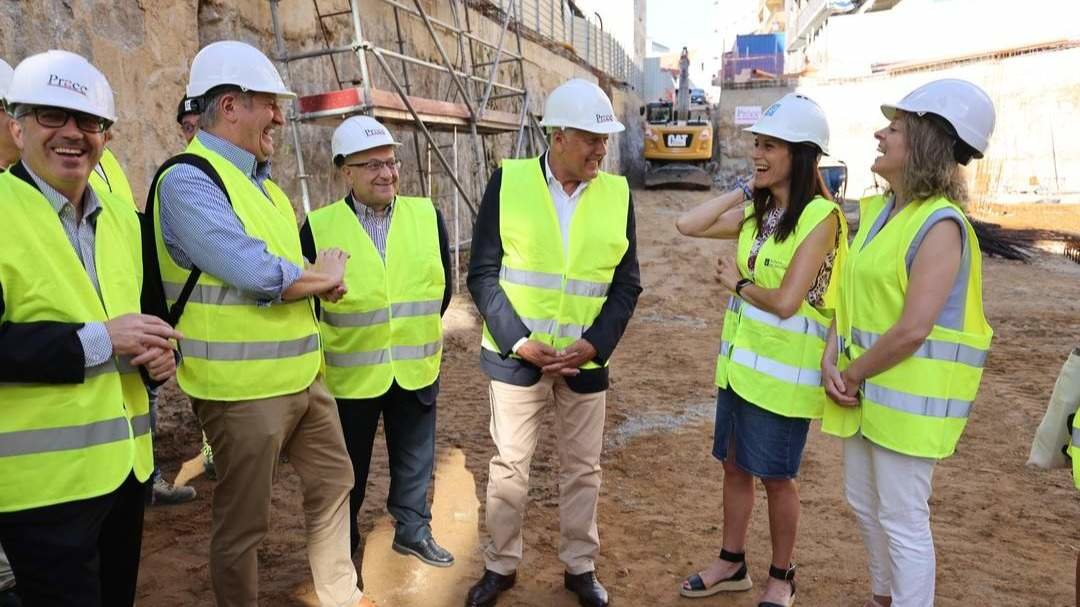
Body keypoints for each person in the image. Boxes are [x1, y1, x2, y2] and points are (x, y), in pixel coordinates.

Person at [151, 40, 369, 607]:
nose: (279, 115)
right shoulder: (187, 180)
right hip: (240, 391)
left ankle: (341, 596)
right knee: (245, 525)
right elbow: (252, 269)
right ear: (230, 106)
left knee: (333, 486)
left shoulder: (266, 187)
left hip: (304, 380)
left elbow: (291, 269)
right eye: (269, 104)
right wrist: (318, 276)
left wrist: (317, 278)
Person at [0, 49, 180, 606]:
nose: (73, 134)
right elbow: (111, 332)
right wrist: (104, 340)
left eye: (90, 122)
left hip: (125, 472)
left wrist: (159, 361)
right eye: (52, 116)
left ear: (106, 136)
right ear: (17, 125)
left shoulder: (125, 220)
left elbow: (143, 322)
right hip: (41, 488)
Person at [466, 78, 642, 607]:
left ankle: (579, 567)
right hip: (518, 360)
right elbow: (482, 274)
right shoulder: (509, 181)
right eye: (592, 138)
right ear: (559, 136)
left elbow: (626, 283)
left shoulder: (617, 193)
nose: (601, 149)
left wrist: (595, 344)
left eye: (605, 139)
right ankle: (501, 564)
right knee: (509, 467)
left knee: (583, 468)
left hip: (584, 363)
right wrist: (518, 341)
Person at [820, 79, 996, 607]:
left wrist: (850, 374)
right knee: (864, 505)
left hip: (902, 406)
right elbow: (849, 296)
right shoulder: (876, 214)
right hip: (862, 395)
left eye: (894, 128)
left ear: (924, 143)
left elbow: (915, 326)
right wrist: (832, 354)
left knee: (902, 520)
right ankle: (884, 597)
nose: (879, 133)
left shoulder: (941, 224)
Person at [675, 93, 845, 607]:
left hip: (785, 379)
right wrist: (743, 191)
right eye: (757, 144)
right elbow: (689, 224)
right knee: (733, 466)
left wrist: (738, 283)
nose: (758, 154)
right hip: (740, 372)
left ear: (801, 152)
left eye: (769, 146)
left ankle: (782, 574)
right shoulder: (761, 212)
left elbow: (789, 301)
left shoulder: (822, 218)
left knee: (777, 479)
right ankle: (732, 563)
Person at [300, 115, 454, 569]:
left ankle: (412, 529)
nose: (387, 174)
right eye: (372, 166)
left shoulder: (428, 216)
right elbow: (308, 303)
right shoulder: (317, 226)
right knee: (348, 470)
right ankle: (341, 548)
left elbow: (441, 290)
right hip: (351, 375)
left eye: (391, 163)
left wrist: (406, 332)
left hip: (415, 364)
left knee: (415, 457)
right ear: (345, 171)